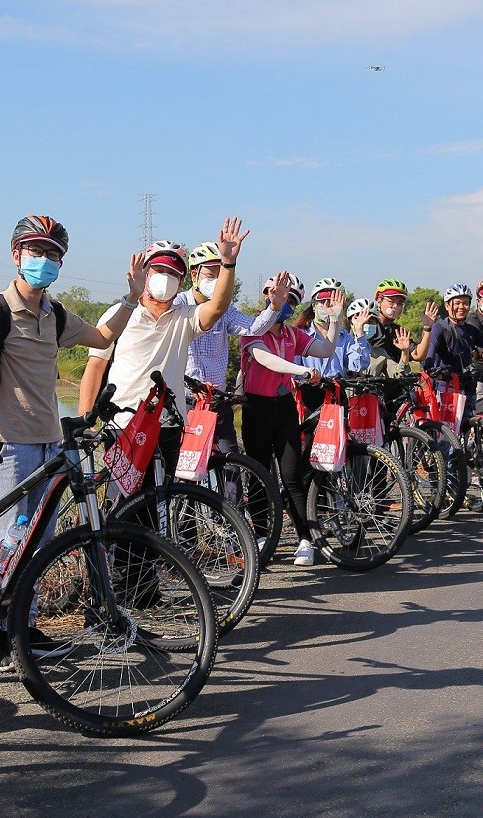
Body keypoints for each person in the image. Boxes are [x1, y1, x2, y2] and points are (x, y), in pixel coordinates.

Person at [78, 218, 249, 468]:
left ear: (181, 282)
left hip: (168, 423)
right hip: (122, 424)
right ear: (145, 275)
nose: (165, 278)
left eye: (172, 273)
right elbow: (95, 367)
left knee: (161, 500)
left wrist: (228, 263)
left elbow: (218, 307)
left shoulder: (185, 317)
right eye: (159, 271)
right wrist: (85, 420)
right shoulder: (121, 313)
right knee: (123, 503)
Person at [240, 273, 337, 566]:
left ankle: (305, 539)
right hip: (255, 407)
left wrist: (334, 318)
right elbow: (264, 359)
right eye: (279, 296)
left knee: (293, 476)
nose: (285, 303)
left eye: (291, 300)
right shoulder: (252, 327)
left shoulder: (292, 335)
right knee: (258, 475)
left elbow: (325, 349)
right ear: (268, 295)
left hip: (284, 408)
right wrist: (301, 371)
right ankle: (260, 537)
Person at [176, 241, 279, 453]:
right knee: (184, 473)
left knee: (230, 466)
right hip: (185, 401)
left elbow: (254, 327)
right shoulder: (177, 304)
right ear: (194, 275)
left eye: (220, 276)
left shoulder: (226, 310)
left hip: (217, 400)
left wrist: (274, 307)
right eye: (210, 275)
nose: (216, 281)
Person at [411, 283, 483, 420]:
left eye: (466, 303)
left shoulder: (470, 329)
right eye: (457, 303)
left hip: (467, 386)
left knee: (468, 426)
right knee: (446, 435)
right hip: (445, 387)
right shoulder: (440, 328)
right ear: (447, 306)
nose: (461, 307)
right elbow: (429, 355)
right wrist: (432, 371)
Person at [298, 279, 372, 381]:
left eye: (334, 304)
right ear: (314, 305)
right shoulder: (300, 334)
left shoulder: (344, 336)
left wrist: (359, 333)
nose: (328, 308)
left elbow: (357, 365)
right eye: (324, 302)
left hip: (336, 391)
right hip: (306, 389)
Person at [365, 278, 415, 375]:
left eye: (400, 303)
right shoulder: (366, 328)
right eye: (391, 301)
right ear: (378, 301)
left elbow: (417, 355)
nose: (395, 306)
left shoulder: (398, 331)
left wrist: (427, 329)